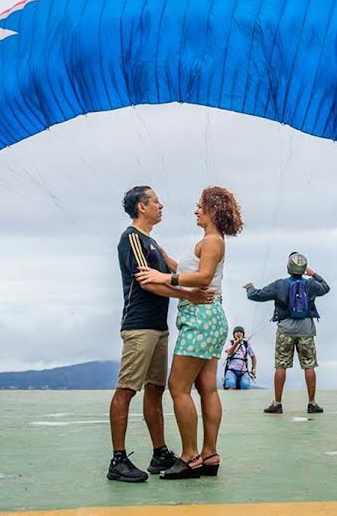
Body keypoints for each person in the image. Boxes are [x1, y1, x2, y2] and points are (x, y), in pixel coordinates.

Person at [108, 186, 216, 483]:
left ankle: (159, 452)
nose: (160, 205)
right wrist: (188, 294)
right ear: (141, 207)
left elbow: (173, 267)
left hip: (159, 327)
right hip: (139, 325)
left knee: (155, 389)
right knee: (127, 389)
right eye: (155, 201)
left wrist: (206, 270)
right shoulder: (131, 238)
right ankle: (118, 460)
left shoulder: (151, 242)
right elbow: (147, 282)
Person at [137, 186, 243, 479]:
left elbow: (203, 277)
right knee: (207, 387)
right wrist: (165, 257)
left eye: (200, 206)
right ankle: (210, 455)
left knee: (178, 387)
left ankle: (189, 456)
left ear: (212, 210)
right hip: (213, 318)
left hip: (198, 318)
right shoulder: (211, 240)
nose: (196, 210)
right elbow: (190, 268)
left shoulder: (210, 241)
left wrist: (164, 276)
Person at [243, 252, 330, 414]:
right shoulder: (311, 284)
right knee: (309, 365)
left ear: (289, 267)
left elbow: (257, 295)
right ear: (304, 268)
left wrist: (249, 288)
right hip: (306, 330)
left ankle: (277, 404)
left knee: (281, 365)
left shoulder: (280, 284)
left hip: (285, 330)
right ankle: (312, 403)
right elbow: (326, 288)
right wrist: (314, 274)